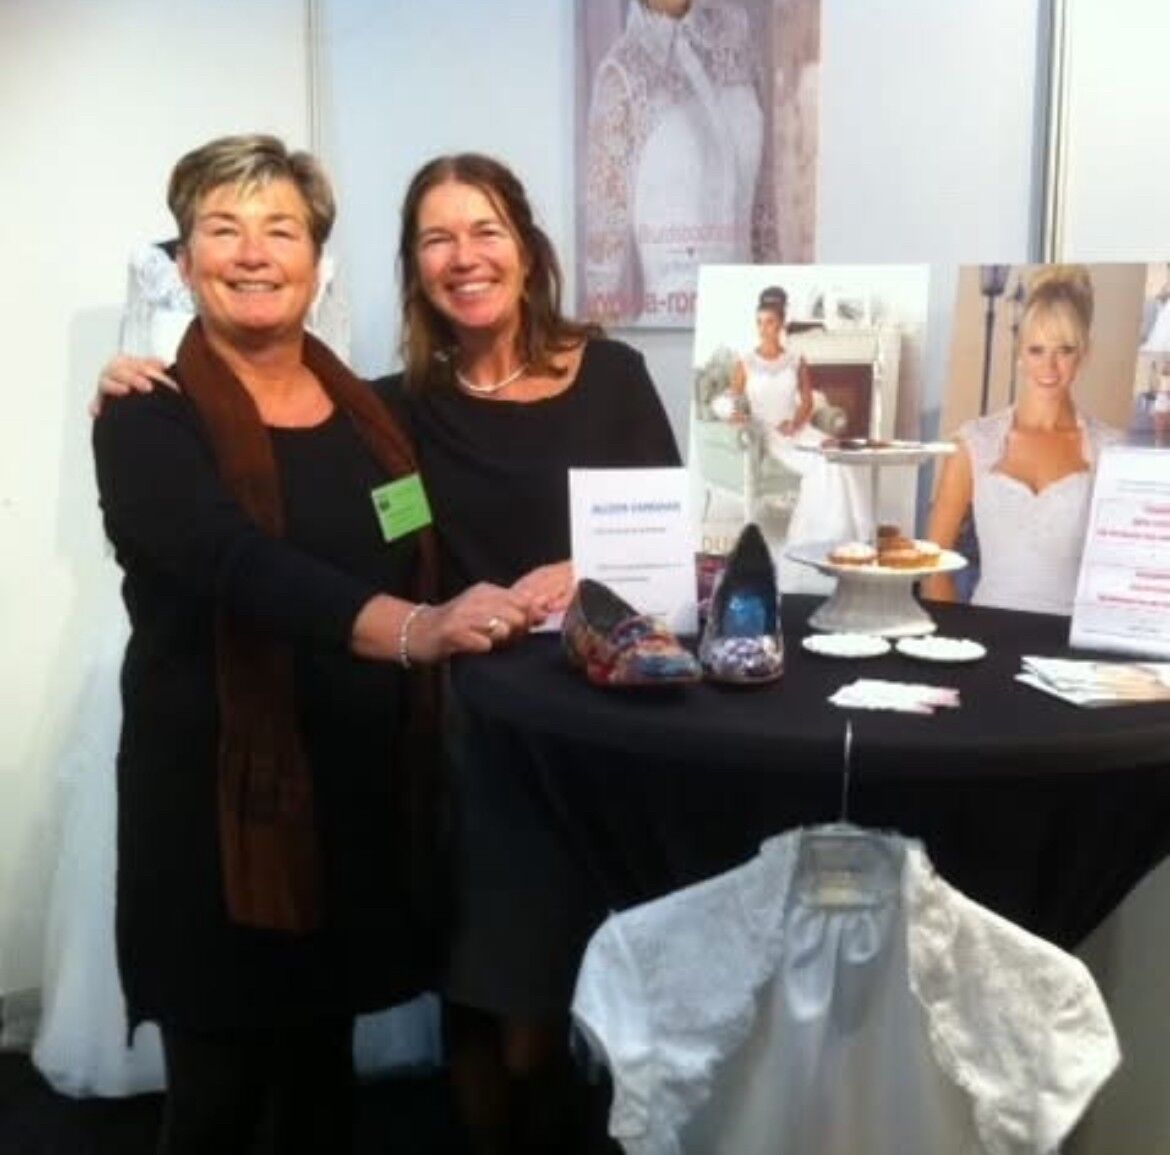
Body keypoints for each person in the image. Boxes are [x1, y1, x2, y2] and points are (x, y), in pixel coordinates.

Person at [98, 151, 681, 1153]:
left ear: (317, 262)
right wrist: (419, 628)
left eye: (281, 230)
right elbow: (234, 560)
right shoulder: (166, 412)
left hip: (362, 789)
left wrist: (576, 569)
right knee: (221, 1098)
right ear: (184, 261)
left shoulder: (360, 418)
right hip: (225, 807)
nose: (254, 253)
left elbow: (411, 536)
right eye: (224, 230)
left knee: (325, 1085)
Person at [922, 265, 1122, 614]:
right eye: (1036, 350)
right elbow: (933, 564)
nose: (1049, 367)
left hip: (1069, 641)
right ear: (1019, 354)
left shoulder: (1111, 450)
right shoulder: (975, 444)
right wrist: (959, 635)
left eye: (1065, 350)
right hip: (984, 638)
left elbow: (1125, 568)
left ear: (1083, 354)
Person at [583, 0, 777, 324]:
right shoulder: (621, 76)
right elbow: (603, 270)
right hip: (673, 331)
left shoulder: (739, 43)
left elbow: (764, 220)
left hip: (750, 325)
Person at [722, 286, 871, 566]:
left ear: (780, 325)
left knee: (835, 457)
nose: (763, 329)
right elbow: (734, 400)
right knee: (819, 464)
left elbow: (806, 401)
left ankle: (847, 535)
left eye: (769, 322)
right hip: (768, 433)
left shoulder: (795, 359)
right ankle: (819, 538)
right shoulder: (745, 362)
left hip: (798, 428)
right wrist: (737, 415)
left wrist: (796, 423)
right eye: (759, 322)